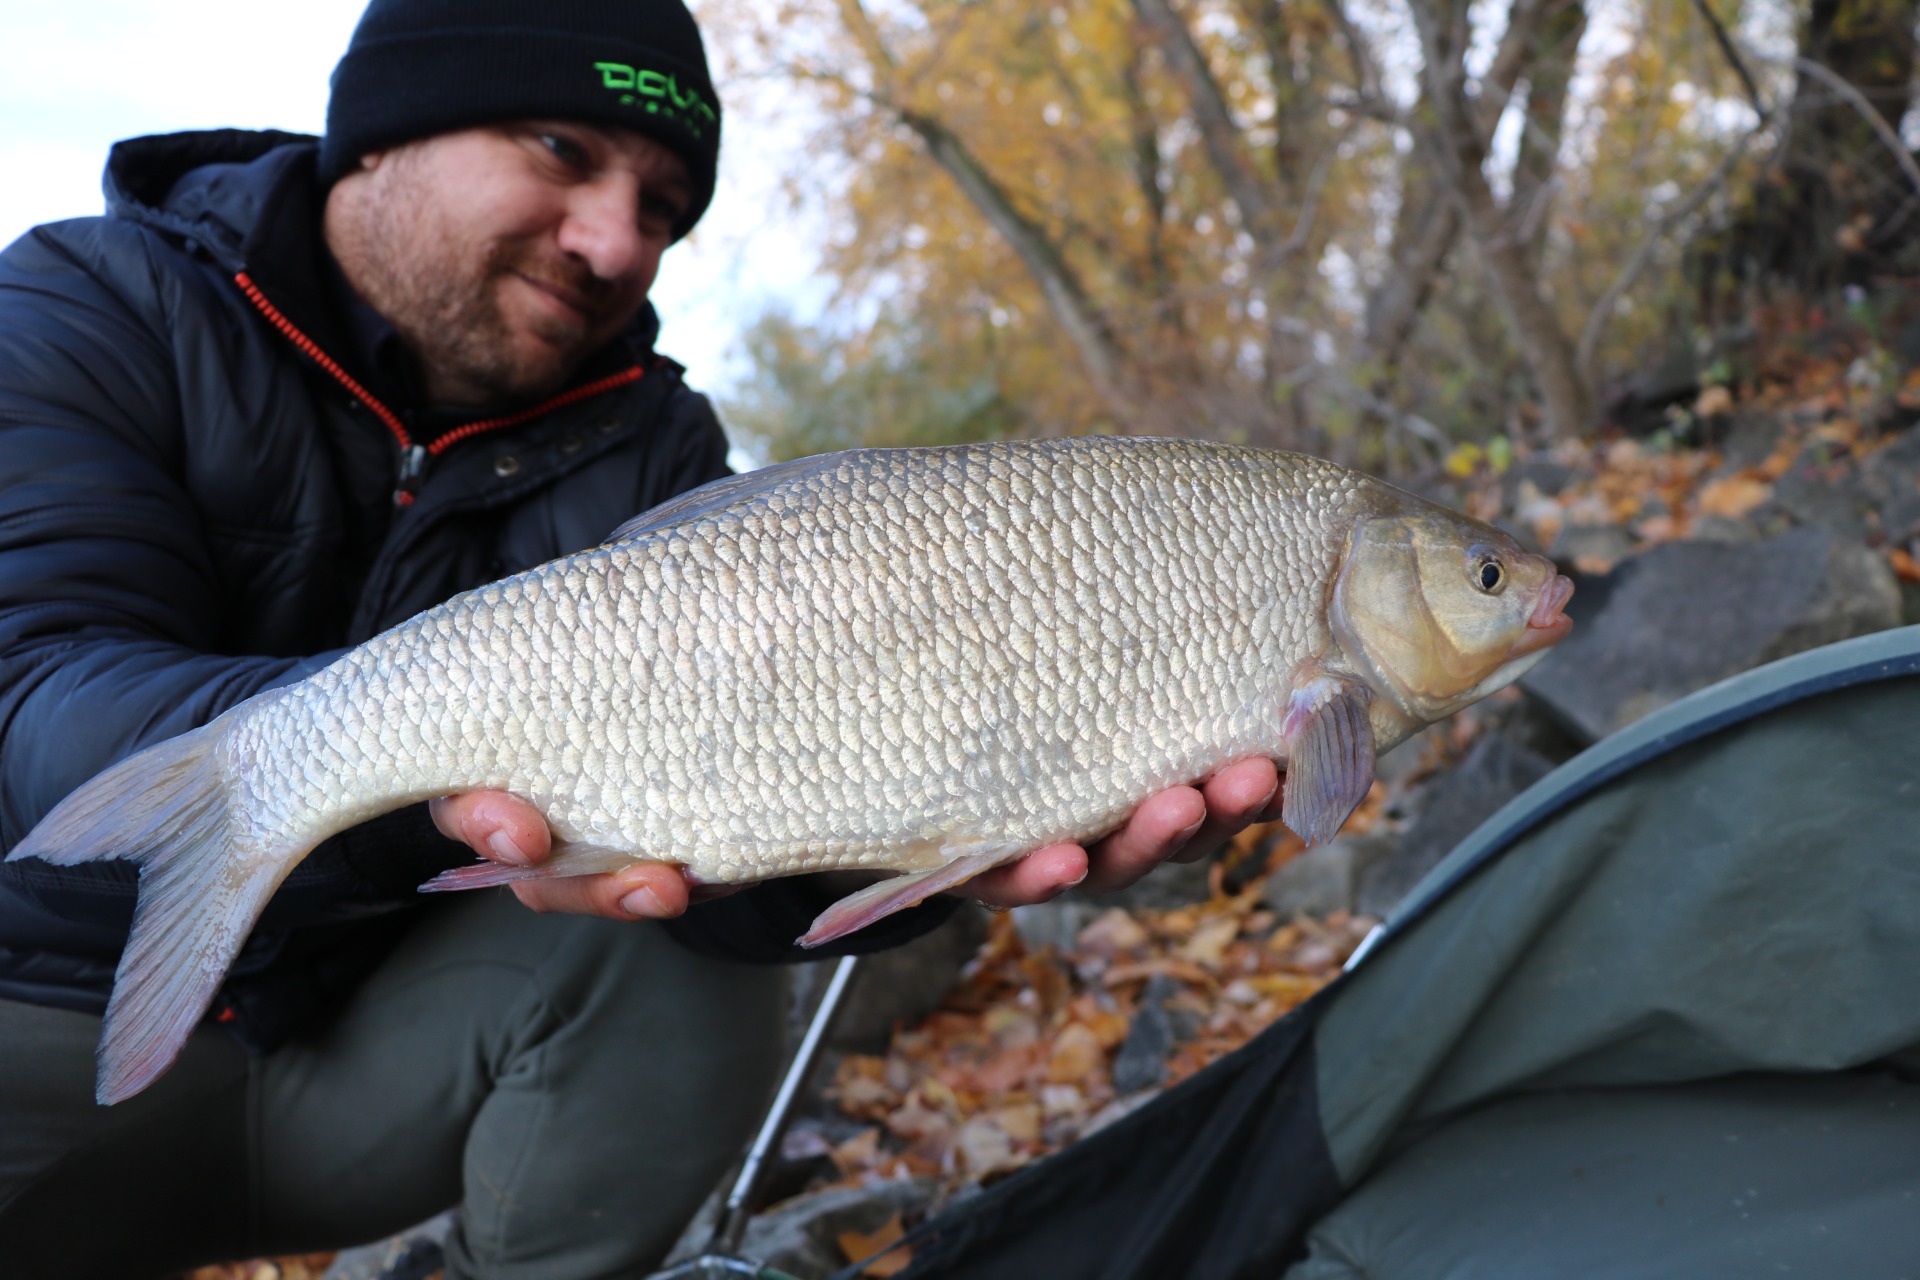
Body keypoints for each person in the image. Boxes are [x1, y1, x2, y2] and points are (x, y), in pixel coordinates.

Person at [0, 1, 1284, 1276]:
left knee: (668, 942)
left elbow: (745, 840)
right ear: (377, 137)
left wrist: (958, 822)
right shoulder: (86, 304)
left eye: (664, 208)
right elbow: (29, 699)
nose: (616, 239)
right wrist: (402, 788)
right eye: (560, 147)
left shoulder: (661, 448)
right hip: (37, 1031)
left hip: (357, 1063)